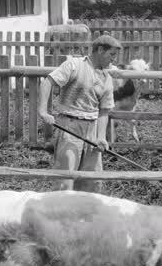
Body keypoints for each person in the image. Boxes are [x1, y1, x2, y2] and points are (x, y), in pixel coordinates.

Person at [38, 35, 121, 193]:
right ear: (100, 50)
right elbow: (48, 82)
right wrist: (43, 111)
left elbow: (104, 111)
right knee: (66, 177)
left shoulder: (107, 78)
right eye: (112, 54)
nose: (113, 60)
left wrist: (101, 137)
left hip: (92, 130)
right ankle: (60, 212)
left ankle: (85, 214)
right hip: (69, 127)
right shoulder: (74, 65)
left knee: (92, 179)